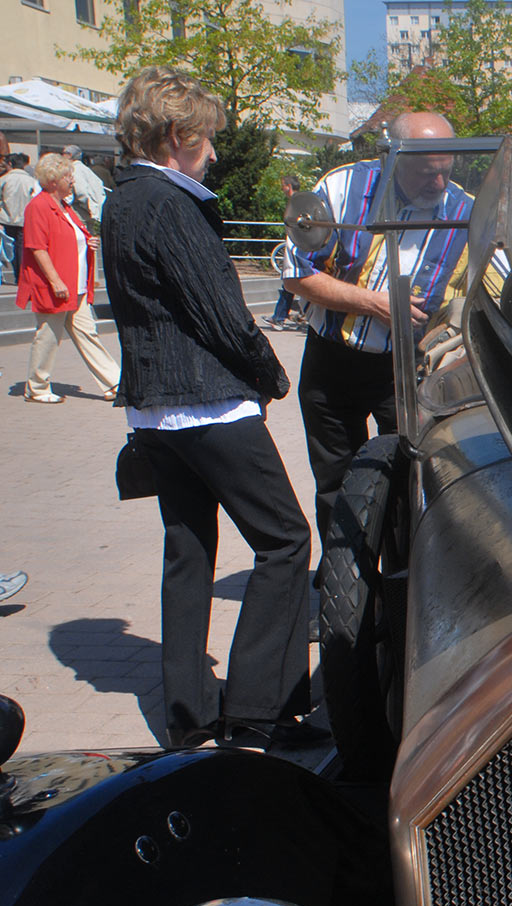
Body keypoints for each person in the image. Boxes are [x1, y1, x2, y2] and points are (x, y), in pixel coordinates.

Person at [103, 66, 320, 750]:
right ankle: (260, 708)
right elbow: (222, 316)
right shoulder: (169, 202)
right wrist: (271, 375)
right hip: (206, 404)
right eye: (209, 140)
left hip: (155, 409)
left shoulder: (123, 197)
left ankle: (188, 715)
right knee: (286, 542)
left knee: (188, 553)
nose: (217, 153)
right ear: (177, 136)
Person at [282, 111, 473, 546]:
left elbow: (497, 289)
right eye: (427, 173)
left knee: (411, 484)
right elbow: (295, 274)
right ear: (393, 155)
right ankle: (346, 589)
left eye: (446, 172)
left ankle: (402, 588)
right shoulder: (342, 189)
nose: (439, 185)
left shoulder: (466, 210)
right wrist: (373, 304)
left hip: (408, 372)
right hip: (333, 364)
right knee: (336, 486)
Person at [17, 152, 120, 404]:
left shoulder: (65, 207)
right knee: (48, 336)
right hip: (57, 285)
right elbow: (37, 248)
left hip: (76, 284)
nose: (72, 181)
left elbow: (71, 239)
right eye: (67, 176)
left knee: (88, 333)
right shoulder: (38, 207)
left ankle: (116, 382)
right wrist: (56, 281)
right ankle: (37, 387)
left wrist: (89, 242)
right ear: (53, 180)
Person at [261, 175, 303, 331]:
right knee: (289, 283)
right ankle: (280, 316)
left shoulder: (296, 202)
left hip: (296, 247)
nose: (281, 189)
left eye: (282, 186)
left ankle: (280, 318)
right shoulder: (301, 200)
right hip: (296, 246)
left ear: (288, 186)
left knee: (290, 282)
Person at [1, 154, 40, 285]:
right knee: (22, 247)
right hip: (26, 219)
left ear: (10, 164)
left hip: (6, 219)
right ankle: (23, 276)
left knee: (9, 248)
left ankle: (16, 273)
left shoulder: (4, 179)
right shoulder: (32, 181)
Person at [62, 144, 107, 229]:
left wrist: (89, 208)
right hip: (90, 212)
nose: (62, 156)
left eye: (64, 153)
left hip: (81, 213)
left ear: (69, 155)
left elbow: (81, 192)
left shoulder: (75, 169)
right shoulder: (85, 169)